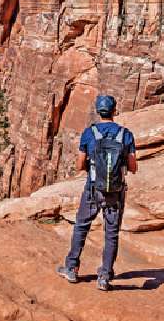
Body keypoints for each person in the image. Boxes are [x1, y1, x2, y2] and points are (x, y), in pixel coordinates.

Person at [57, 95, 137, 291]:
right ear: (114, 111)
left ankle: (72, 268)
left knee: (81, 226)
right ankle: (104, 276)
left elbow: (79, 165)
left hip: (93, 189)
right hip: (115, 193)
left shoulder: (89, 133)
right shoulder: (125, 134)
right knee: (111, 234)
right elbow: (133, 166)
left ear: (98, 111)